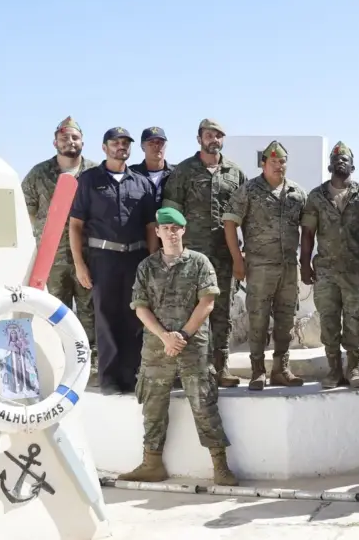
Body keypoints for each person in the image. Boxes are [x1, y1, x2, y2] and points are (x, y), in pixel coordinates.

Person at [117, 207, 237, 486]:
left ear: (183, 230)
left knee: (204, 405)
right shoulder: (147, 267)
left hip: (193, 347)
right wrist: (165, 337)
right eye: (165, 229)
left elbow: (207, 303)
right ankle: (152, 464)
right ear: (158, 232)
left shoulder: (199, 263)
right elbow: (140, 307)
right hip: (157, 348)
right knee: (153, 406)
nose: (171, 233)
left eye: (175, 228)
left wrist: (181, 335)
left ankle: (220, 466)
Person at [68, 127, 159, 393]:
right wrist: (79, 264)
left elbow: (151, 226)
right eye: (115, 143)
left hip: (136, 258)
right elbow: (75, 225)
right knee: (106, 317)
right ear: (104, 147)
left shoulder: (141, 182)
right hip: (103, 258)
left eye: (125, 143)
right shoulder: (89, 180)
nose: (121, 147)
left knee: (135, 315)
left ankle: (131, 378)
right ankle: (109, 380)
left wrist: (151, 261)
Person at [162, 118, 247, 388]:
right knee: (187, 311)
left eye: (218, 135)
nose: (214, 140)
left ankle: (220, 368)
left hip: (224, 254)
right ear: (199, 139)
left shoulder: (235, 173)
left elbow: (247, 215)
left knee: (222, 312)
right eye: (209, 135)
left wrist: (242, 255)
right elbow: (170, 214)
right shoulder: (184, 171)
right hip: (191, 256)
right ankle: (187, 370)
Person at [223, 141, 307, 390]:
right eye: (273, 162)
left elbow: (308, 229)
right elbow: (230, 222)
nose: (278, 166)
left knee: (286, 319)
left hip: (288, 268)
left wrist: (305, 261)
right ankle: (258, 371)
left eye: (282, 161)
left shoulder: (296, 193)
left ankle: (281, 369)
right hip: (259, 267)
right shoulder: (249, 190)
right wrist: (237, 259)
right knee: (258, 320)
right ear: (263, 164)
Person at [300, 141, 359, 388]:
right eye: (336, 159)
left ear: (352, 167)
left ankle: (353, 368)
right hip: (326, 270)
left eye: (345, 159)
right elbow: (308, 232)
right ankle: (334, 369)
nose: (340, 162)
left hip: (355, 270)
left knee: (354, 320)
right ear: (329, 166)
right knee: (329, 320)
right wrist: (304, 264)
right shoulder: (316, 196)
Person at [22, 116, 98, 357]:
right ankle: (60, 360)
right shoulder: (39, 173)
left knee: (90, 312)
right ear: (55, 142)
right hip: (52, 258)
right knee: (55, 311)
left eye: (75, 137)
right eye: (64, 138)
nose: (70, 142)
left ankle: (89, 362)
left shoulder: (95, 172)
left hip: (87, 256)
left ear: (83, 142)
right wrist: (44, 233)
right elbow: (26, 209)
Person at [129, 126, 173, 203]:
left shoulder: (176, 174)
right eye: (151, 143)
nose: (156, 145)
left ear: (165, 145)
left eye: (160, 142)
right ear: (142, 146)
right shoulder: (130, 175)